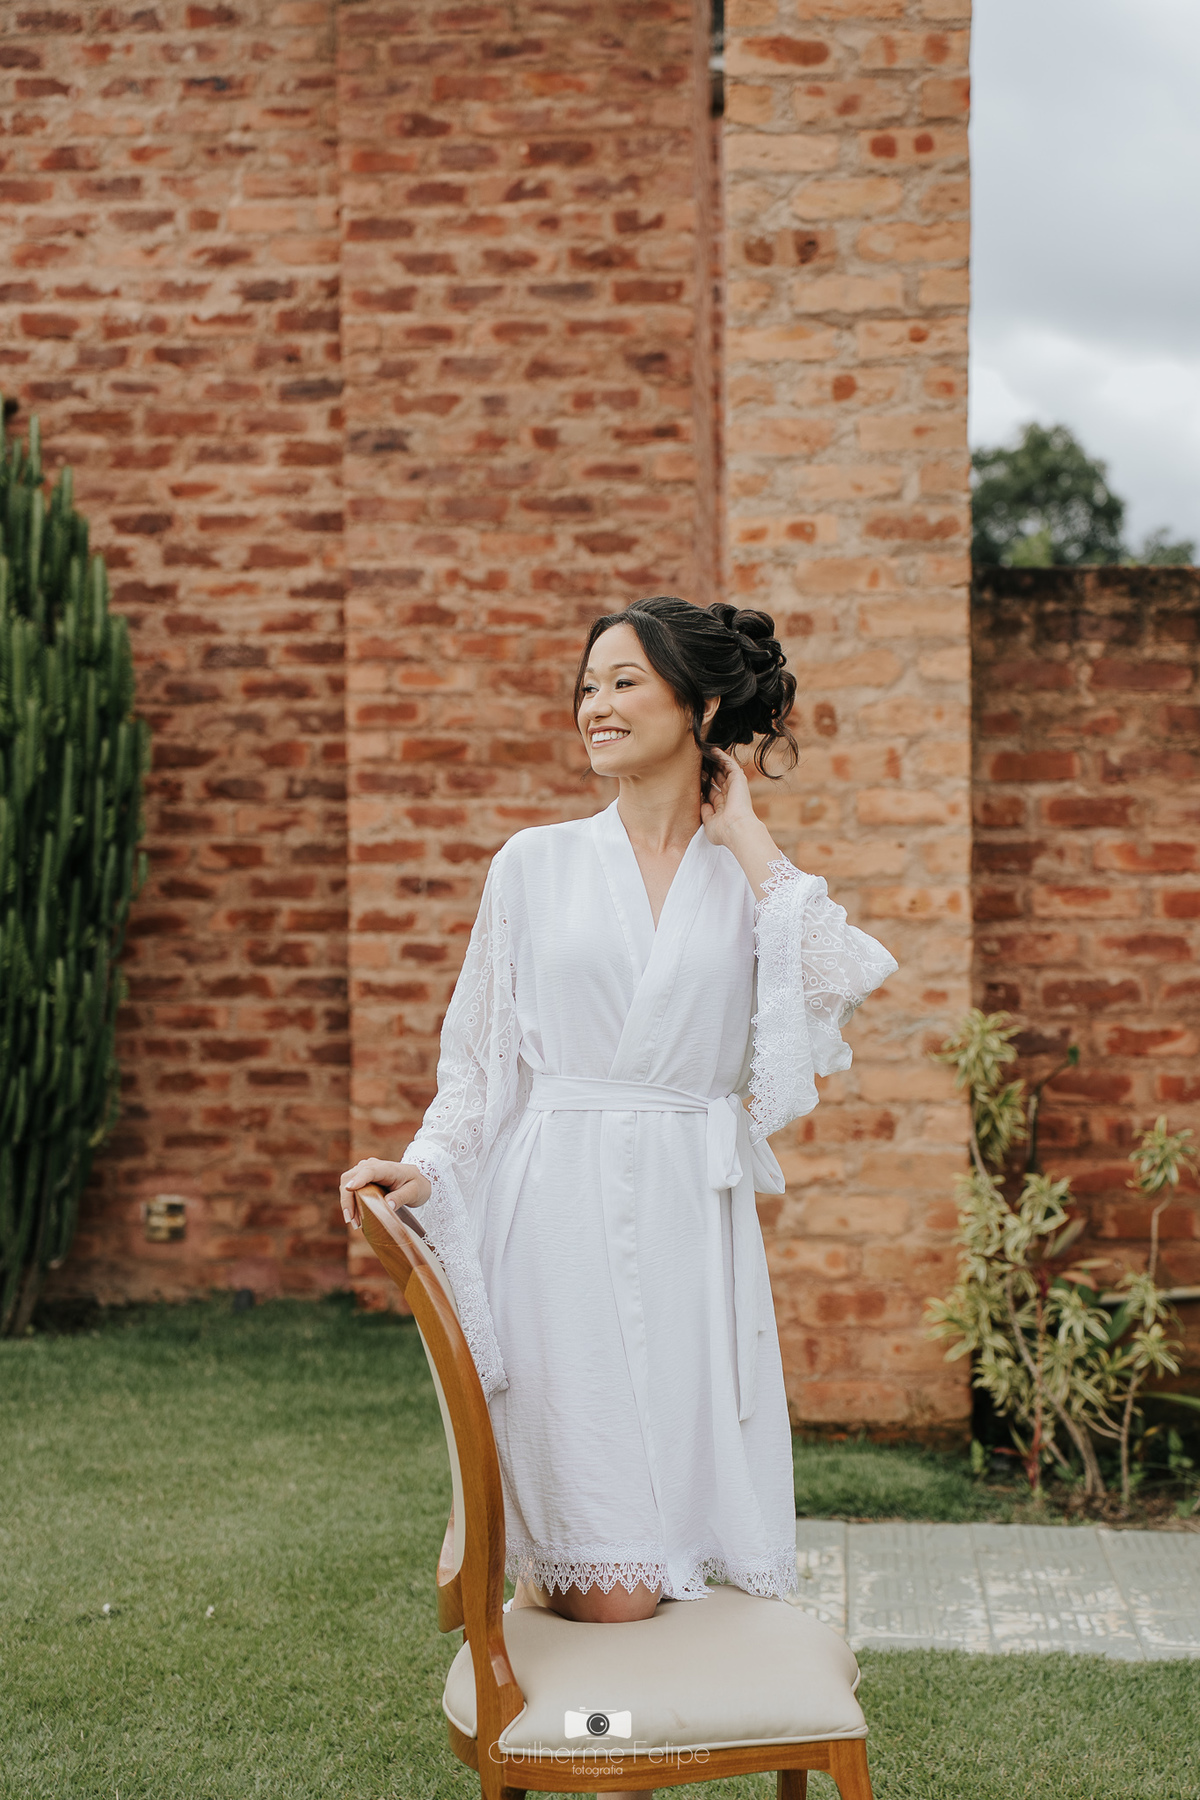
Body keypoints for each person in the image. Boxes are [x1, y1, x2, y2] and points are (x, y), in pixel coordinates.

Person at [340, 596, 897, 1638]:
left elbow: (841, 978)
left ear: (702, 705)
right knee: (611, 1585)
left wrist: (746, 835)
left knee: (666, 1562)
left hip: (691, 1224)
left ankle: (602, 1719)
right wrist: (429, 1165)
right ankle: (546, 1621)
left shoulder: (748, 884)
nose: (595, 705)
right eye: (587, 686)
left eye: (624, 681)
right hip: (556, 1216)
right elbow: (479, 1063)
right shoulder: (533, 864)